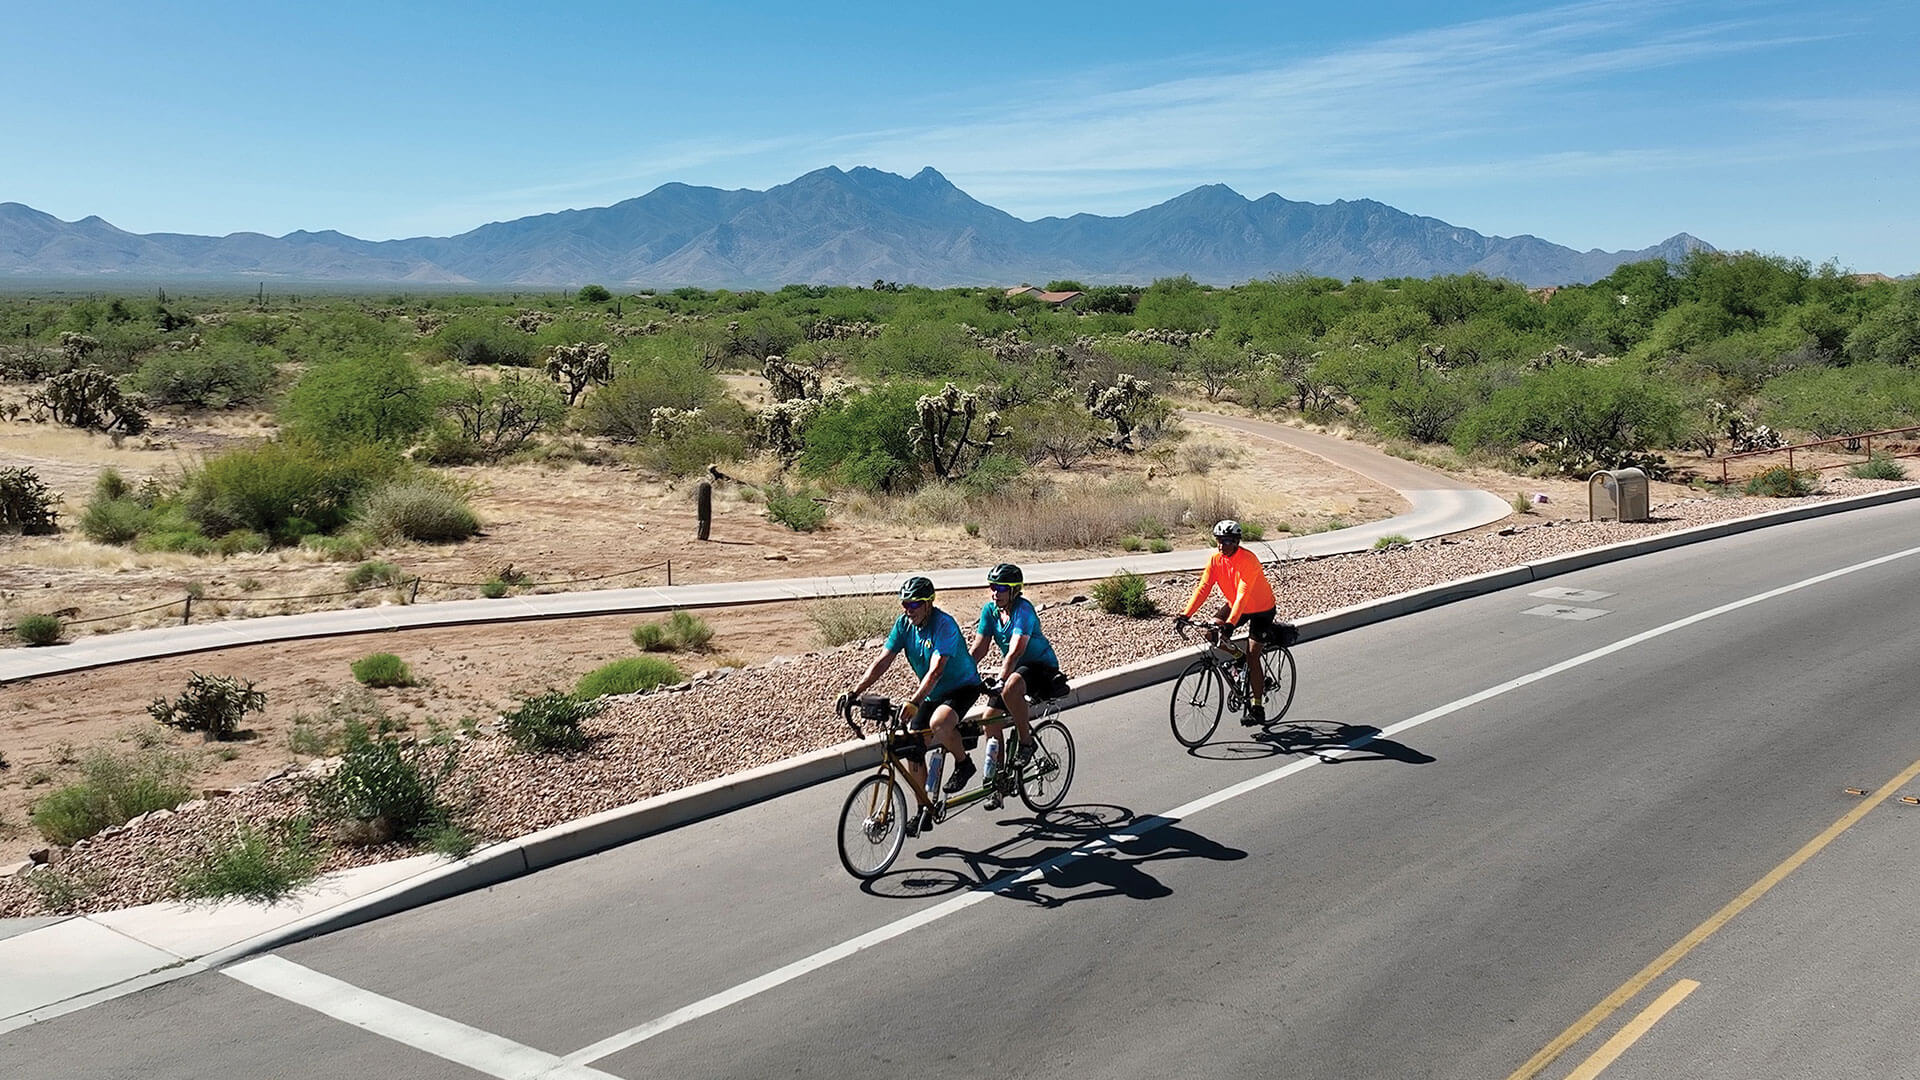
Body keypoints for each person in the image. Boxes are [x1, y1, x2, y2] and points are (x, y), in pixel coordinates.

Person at [844, 575, 986, 834]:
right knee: (912, 745)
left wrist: (914, 701)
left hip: (962, 686)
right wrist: (855, 691)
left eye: (915, 604)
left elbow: (936, 670)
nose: (908, 610)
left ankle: (964, 763)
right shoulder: (904, 625)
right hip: (932, 693)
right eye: (905, 604)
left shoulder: (945, 625)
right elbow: (883, 660)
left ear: (929, 603)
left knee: (940, 723)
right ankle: (923, 810)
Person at [1175, 519, 1279, 725]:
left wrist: (1231, 624)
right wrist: (1185, 615)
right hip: (1236, 605)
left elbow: (1243, 594)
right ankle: (1237, 657)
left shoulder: (1248, 560)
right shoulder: (1216, 560)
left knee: (1253, 656)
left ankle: (1258, 707)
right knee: (1211, 632)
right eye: (1219, 540)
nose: (1222, 545)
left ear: (1237, 541)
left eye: (1228, 541)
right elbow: (1203, 588)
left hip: (1261, 609)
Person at [969, 563, 1063, 772]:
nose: (995, 593)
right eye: (992, 587)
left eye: (1001, 588)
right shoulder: (990, 611)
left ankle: (1026, 743)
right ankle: (998, 777)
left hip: (1040, 666)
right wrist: (961, 674)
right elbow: (979, 649)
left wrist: (1001, 679)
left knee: (1010, 687)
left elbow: (1015, 651)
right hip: (1016, 669)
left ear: (1014, 590)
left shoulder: (1024, 610)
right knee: (989, 719)